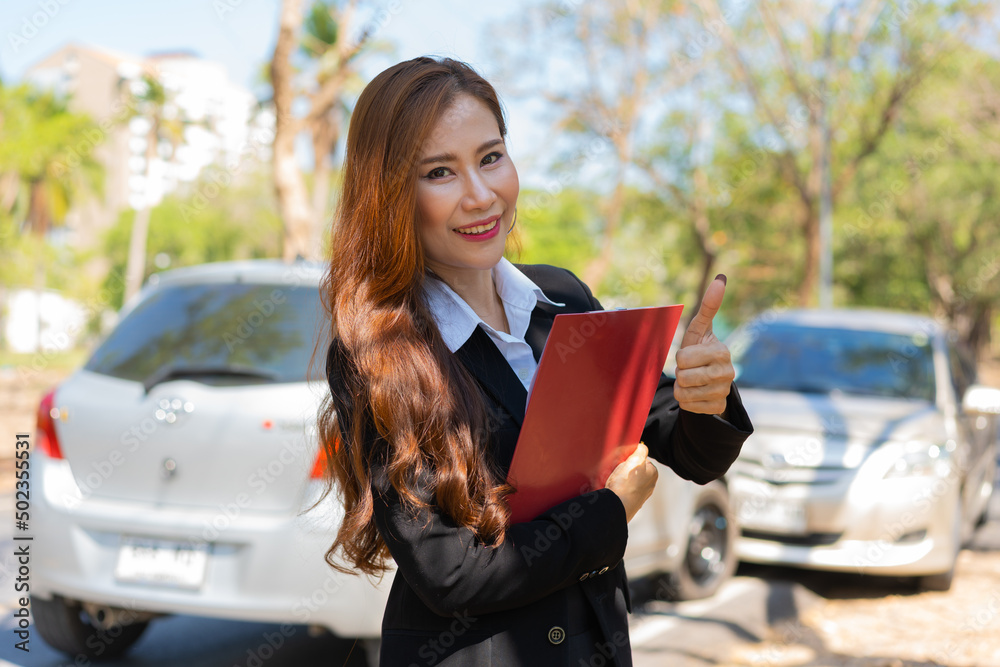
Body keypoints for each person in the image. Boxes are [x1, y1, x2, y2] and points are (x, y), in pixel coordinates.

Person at [317, 56, 754, 667]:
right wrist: (610, 512)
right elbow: (451, 573)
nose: (480, 195)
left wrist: (706, 396)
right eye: (440, 172)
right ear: (390, 194)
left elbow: (690, 451)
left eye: (491, 157)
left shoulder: (564, 301)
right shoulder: (381, 351)